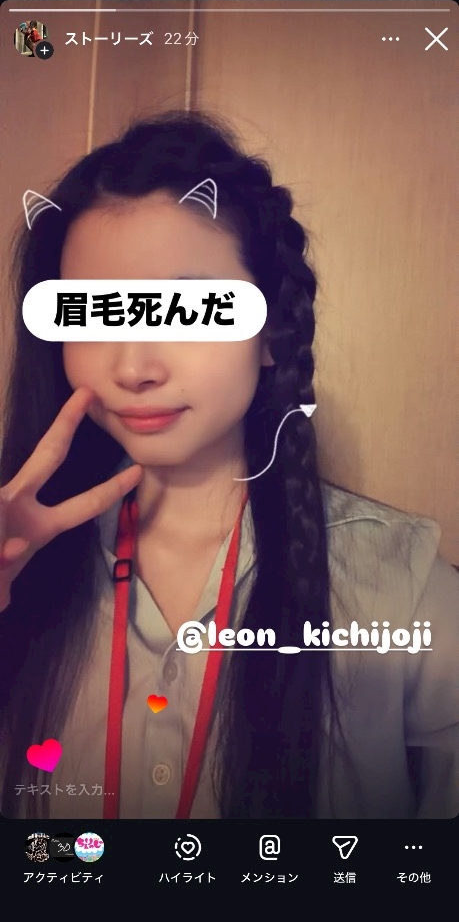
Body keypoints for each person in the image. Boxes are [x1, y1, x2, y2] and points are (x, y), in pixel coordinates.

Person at [0, 112, 458, 821]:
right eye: (93, 312)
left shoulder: (401, 585)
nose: (134, 366)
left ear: (271, 330)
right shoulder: (24, 562)